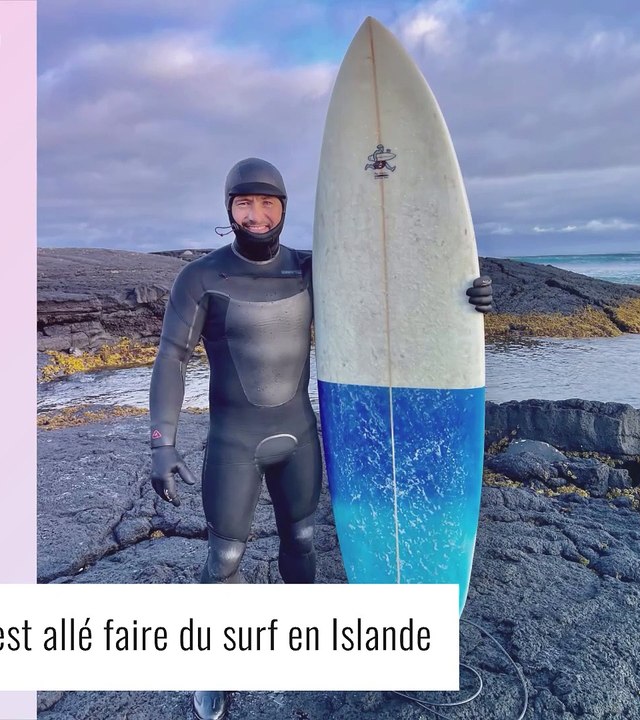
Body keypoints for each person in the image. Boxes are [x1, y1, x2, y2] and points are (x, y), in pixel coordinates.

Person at [147, 157, 492, 720]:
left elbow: (390, 289)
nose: (256, 215)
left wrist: (466, 294)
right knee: (226, 552)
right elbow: (171, 357)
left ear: (284, 207)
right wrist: (163, 442)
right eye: (244, 204)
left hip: (298, 434)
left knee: (303, 540)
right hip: (235, 440)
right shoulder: (202, 277)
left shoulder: (312, 268)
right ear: (228, 209)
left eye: (267, 203)